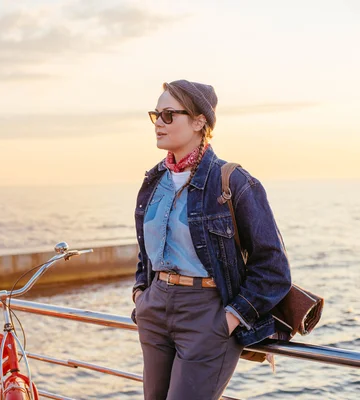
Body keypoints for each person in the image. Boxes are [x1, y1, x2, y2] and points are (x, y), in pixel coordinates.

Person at [131, 79, 292, 400]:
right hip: (155, 309)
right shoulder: (154, 181)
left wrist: (229, 320)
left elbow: (274, 268)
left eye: (168, 115)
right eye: (155, 115)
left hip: (206, 312)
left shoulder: (233, 181)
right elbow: (146, 252)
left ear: (199, 121)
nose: (158, 124)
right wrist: (141, 295)